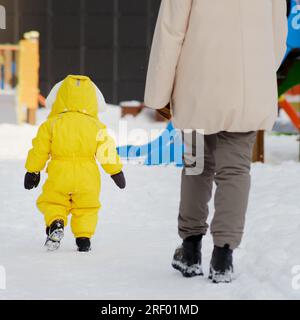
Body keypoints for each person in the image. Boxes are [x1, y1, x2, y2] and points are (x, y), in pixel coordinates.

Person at [145, 0, 288, 282]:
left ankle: (190, 250)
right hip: (247, 84)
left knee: (197, 164)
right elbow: (277, 32)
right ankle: (223, 256)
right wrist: (259, 73)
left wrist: (159, 95)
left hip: (199, 82)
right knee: (235, 169)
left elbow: (171, 31)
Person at [24, 75, 126, 252]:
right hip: (87, 176)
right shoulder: (97, 126)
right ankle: (83, 238)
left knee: (54, 202)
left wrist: (32, 171)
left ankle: (56, 222)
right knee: (87, 206)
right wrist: (115, 171)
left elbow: (39, 149)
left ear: (60, 97)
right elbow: (106, 151)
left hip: (59, 173)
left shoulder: (51, 124)